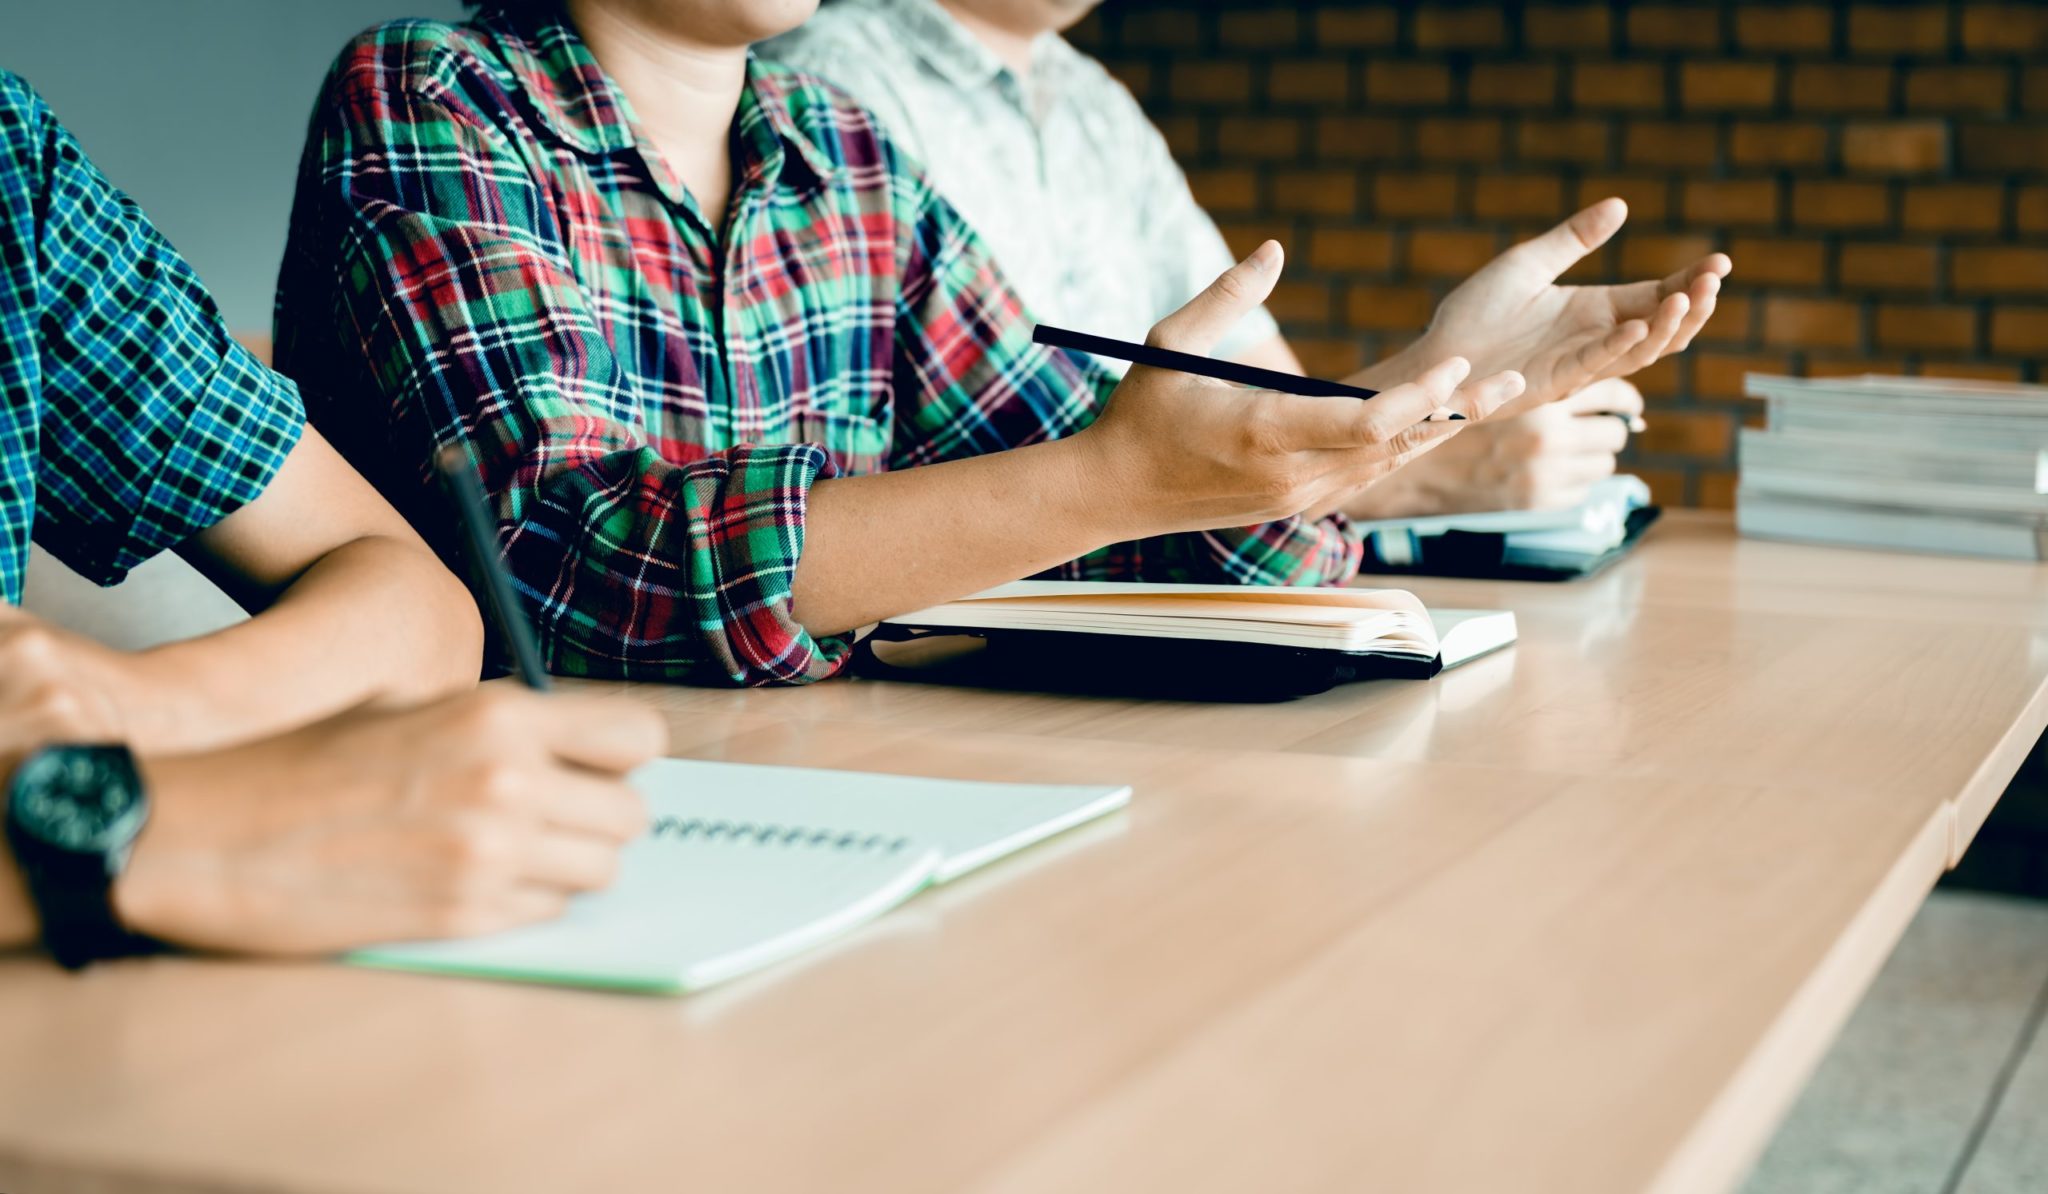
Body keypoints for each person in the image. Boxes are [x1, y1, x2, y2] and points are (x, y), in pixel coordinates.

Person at [273, 0, 1712, 689]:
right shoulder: (431, 96)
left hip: (848, 806)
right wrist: (1119, 478)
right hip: (516, 841)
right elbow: (557, 576)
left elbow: (1173, 518)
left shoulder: (845, 158)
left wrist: (1415, 401)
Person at [0, 72, 664, 965]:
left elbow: (412, 597)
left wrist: (120, 713)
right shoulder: (430, 95)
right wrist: (173, 829)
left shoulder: (14, 172)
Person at [763, 0, 1710, 519]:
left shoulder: (1093, 103)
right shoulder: (829, 76)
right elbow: (933, 455)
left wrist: (1440, 380)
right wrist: (1416, 474)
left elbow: (1254, 394)